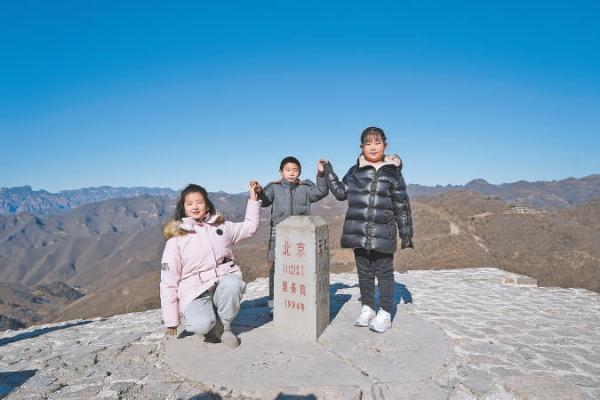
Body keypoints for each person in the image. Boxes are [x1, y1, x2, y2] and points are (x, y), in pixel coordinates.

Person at [320, 127, 413, 333]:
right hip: (358, 230)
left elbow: (401, 204)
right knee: (364, 272)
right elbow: (341, 193)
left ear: (385, 146)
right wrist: (328, 172)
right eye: (368, 143)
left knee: (384, 273)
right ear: (362, 147)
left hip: (384, 231)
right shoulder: (354, 172)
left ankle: (386, 313)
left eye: (377, 142)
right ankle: (368, 307)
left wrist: (406, 233)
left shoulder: (393, 173)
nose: (373, 147)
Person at [160, 182, 261, 347]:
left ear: (207, 204)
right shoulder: (176, 239)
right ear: (183, 207)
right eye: (189, 203)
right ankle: (205, 320)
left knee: (233, 283)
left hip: (221, 283)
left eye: (199, 202)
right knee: (202, 324)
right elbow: (168, 280)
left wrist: (254, 199)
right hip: (194, 292)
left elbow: (249, 227)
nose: (195, 207)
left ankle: (226, 327)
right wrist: (171, 319)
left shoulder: (221, 228)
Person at [257, 156, 329, 315]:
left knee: (301, 268)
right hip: (279, 234)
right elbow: (264, 201)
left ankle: (299, 299)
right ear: (281, 172)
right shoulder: (274, 188)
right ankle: (274, 303)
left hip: (302, 235)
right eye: (288, 170)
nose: (291, 173)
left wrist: (322, 175)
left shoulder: (305, 188)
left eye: (295, 170)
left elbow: (322, 192)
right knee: (277, 268)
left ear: (300, 172)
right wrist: (259, 192)